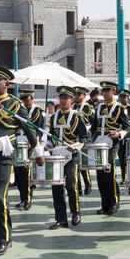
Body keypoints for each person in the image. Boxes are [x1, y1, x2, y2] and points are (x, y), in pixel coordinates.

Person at [0, 65, 44, 256]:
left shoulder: (15, 105)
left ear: (7, 84)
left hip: (3, 156)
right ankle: (2, 237)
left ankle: (3, 240)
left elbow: (30, 130)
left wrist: (38, 152)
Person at [46, 86, 88, 229]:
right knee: (56, 187)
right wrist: (47, 145)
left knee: (71, 185)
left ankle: (76, 213)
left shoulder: (77, 117)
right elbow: (51, 136)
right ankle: (60, 219)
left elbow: (84, 138)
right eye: (61, 98)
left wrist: (75, 145)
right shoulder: (54, 117)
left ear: (71, 99)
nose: (63, 101)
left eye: (66, 98)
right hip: (57, 155)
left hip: (71, 155)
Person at [91, 82, 130, 215]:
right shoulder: (99, 107)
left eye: (108, 90)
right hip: (98, 142)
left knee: (109, 170)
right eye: (104, 90)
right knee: (100, 174)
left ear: (114, 92)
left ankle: (114, 202)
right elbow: (93, 127)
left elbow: (128, 128)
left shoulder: (119, 108)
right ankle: (105, 204)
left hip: (112, 143)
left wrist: (119, 134)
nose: (105, 93)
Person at [15, 88, 44, 211]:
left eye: (26, 98)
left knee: (26, 173)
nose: (24, 101)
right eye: (22, 98)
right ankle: (22, 198)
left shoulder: (38, 111)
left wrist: (33, 143)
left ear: (32, 98)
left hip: (30, 144)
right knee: (19, 173)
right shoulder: (18, 110)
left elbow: (40, 130)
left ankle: (27, 199)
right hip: (18, 143)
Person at [72, 86, 94, 195]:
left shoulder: (88, 107)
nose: (76, 96)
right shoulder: (72, 106)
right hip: (74, 136)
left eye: (79, 94)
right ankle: (78, 186)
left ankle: (88, 183)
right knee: (75, 162)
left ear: (84, 96)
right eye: (75, 94)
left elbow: (93, 122)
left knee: (83, 162)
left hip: (84, 136)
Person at [118, 89, 130, 183]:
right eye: (121, 97)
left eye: (124, 97)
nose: (122, 99)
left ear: (128, 98)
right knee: (121, 157)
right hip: (120, 136)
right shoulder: (117, 108)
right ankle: (124, 177)